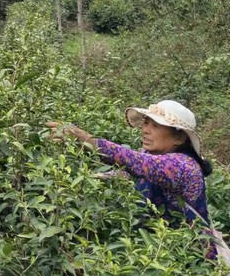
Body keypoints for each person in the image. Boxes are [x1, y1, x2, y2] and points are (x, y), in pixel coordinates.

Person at [48, 100, 217, 257]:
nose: (145, 129)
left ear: (179, 138)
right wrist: (91, 178)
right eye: (146, 122)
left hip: (190, 257)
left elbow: (136, 162)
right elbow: (130, 172)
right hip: (157, 249)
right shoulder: (150, 154)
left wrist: (84, 138)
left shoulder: (184, 166)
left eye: (156, 126)